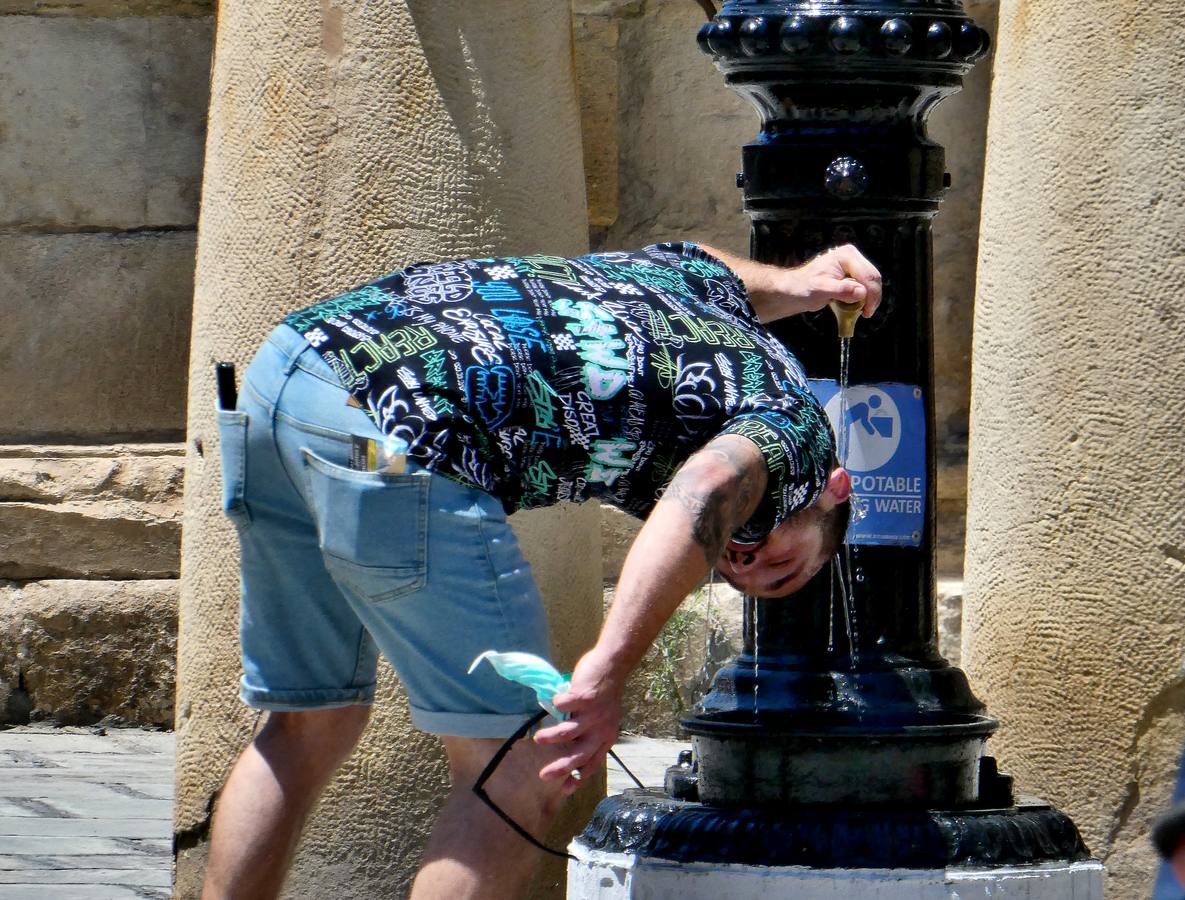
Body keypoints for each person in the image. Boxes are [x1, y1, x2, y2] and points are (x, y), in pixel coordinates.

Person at [202, 240, 882, 899]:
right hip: (401, 432)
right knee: (519, 766)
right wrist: (607, 669)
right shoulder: (798, 440)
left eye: (744, 576)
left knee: (309, 722)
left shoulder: (701, 303)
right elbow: (702, 494)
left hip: (290, 372)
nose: (747, 561)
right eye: (782, 566)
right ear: (836, 489)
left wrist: (797, 284)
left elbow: (699, 260)